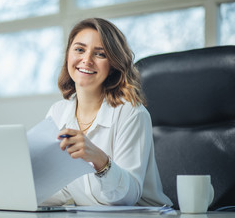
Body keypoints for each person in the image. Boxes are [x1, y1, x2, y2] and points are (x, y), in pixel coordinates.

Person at [41, 18, 173, 207]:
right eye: (79, 49)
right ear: (68, 55)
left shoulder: (131, 114)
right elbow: (62, 189)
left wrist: (100, 160)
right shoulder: (57, 112)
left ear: (113, 66)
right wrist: (23, 189)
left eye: (100, 54)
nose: (86, 59)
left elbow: (128, 197)